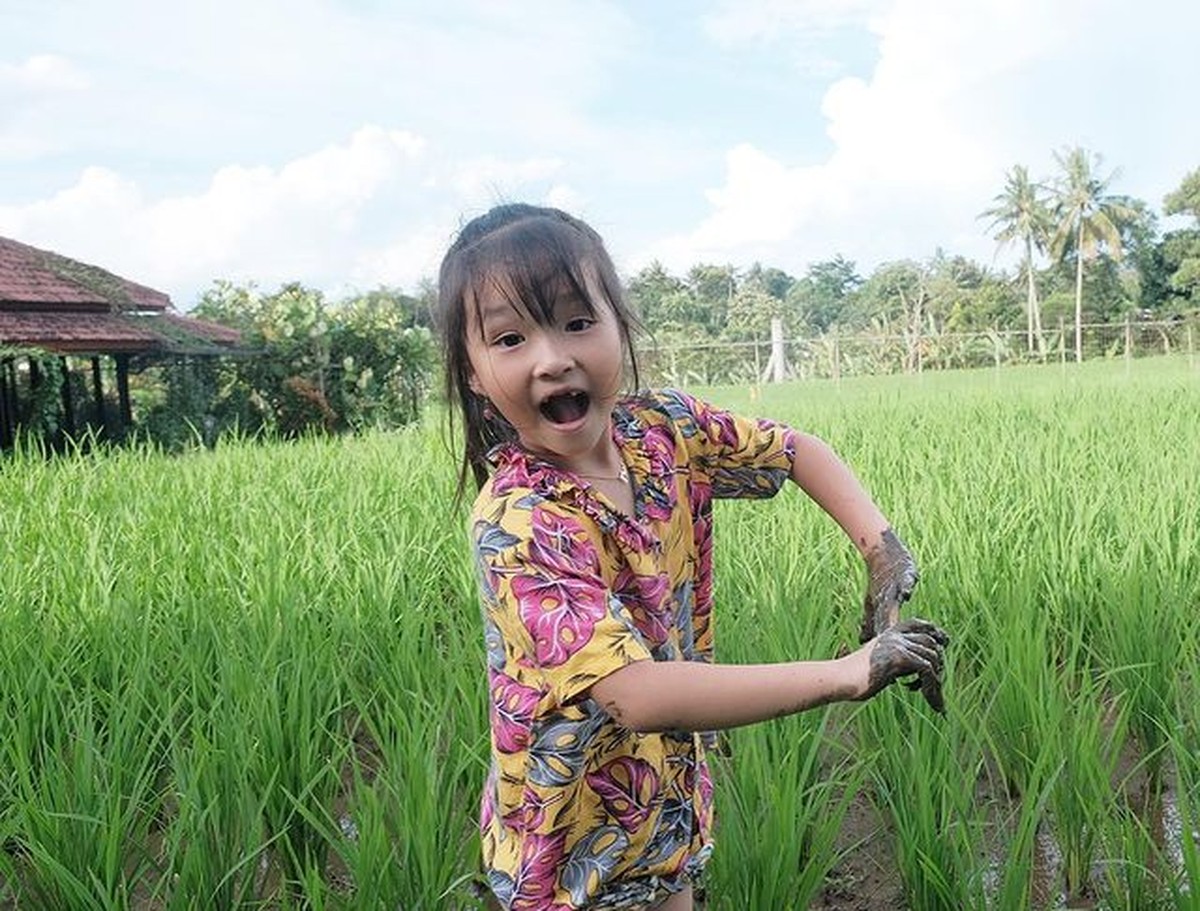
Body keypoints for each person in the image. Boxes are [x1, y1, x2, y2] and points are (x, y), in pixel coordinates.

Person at [435, 203, 948, 911]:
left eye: (578, 321)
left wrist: (881, 550)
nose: (553, 358)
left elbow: (794, 451)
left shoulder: (663, 432)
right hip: (566, 852)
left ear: (622, 323)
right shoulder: (521, 519)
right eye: (512, 337)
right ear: (473, 372)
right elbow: (636, 693)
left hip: (665, 807)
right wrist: (848, 672)